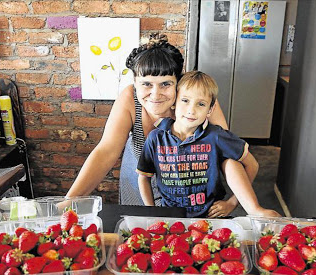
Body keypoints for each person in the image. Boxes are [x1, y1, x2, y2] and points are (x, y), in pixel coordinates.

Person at [67, 33, 254, 217]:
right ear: (134, 83)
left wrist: (233, 201)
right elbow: (106, 152)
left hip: (192, 189)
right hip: (140, 179)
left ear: (178, 82)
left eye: (165, 84)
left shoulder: (196, 99)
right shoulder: (129, 98)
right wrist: (71, 199)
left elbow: (227, 155)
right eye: (146, 84)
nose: (155, 95)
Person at [137, 71, 280, 218]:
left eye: (201, 104)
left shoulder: (216, 136)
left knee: (232, 162)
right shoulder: (156, 138)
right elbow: (143, 177)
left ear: (210, 110)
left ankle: (257, 211)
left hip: (211, 217)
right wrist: (152, 212)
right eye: (185, 100)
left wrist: (231, 203)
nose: (191, 110)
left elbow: (252, 165)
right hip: (170, 217)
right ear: (174, 102)